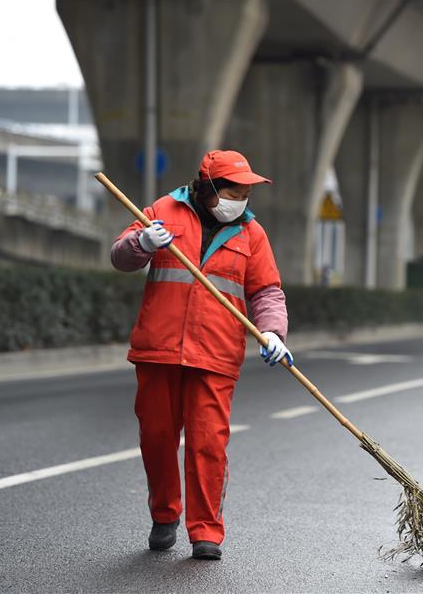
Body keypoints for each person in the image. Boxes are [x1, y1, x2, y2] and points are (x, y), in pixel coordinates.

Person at [111, 149, 292, 561]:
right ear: (208, 187)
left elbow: (266, 291)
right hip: (158, 351)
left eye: (247, 191)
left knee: (207, 443)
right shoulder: (163, 211)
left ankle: (206, 530)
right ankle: (164, 515)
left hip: (215, 355)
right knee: (156, 438)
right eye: (234, 189)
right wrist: (141, 242)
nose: (242, 198)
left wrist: (272, 331)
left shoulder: (252, 233)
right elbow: (120, 257)